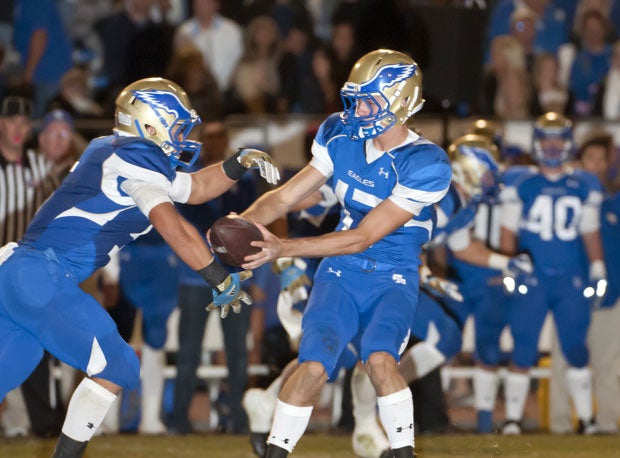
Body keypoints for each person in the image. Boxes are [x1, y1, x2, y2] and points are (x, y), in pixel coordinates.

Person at [0, 77, 280, 457]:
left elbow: (194, 188)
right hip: (41, 275)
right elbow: (172, 224)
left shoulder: (117, 152)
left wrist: (236, 163)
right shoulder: (134, 156)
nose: (184, 135)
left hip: (19, 273)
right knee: (117, 364)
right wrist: (217, 276)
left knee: (14, 365)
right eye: (177, 125)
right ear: (149, 125)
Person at [238, 49, 452, 458]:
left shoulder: (425, 162)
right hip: (340, 271)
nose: (358, 110)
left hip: (391, 274)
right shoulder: (340, 134)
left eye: (370, 100)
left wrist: (284, 248)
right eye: (356, 99)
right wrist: (240, 224)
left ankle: (403, 451)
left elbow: (365, 236)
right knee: (313, 362)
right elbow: (285, 197)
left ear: (401, 102)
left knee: (380, 360)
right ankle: (275, 452)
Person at [498, 112, 605, 435]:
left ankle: (586, 420)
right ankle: (513, 419)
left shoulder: (583, 184)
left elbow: (589, 230)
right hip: (534, 276)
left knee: (576, 347)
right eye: (548, 139)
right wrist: (508, 264)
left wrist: (598, 267)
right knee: (523, 347)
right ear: (538, 142)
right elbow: (507, 229)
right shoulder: (522, 181)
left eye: (559, 138)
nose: (554, 145)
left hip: (570, 275)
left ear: (569, 142)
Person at [549, 130, 620, 434]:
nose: (596, 164)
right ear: (579, 161)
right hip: (568, 294)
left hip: (611, 297)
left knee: (608, 365)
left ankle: (607, 423)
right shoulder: (560, 200)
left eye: (601, 159)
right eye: (590, 157)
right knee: (562, 362)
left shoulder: (615, 204)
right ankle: (560, 424)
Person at [0, 94, 60, 439]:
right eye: (12, 122)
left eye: (24, 123)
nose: (19, 129)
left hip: (27, 272)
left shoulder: (40, 167)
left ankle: (44, 421)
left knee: (34, 345)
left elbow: (59, 210)